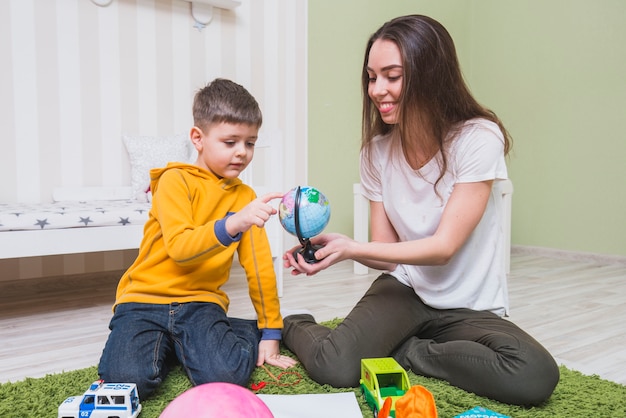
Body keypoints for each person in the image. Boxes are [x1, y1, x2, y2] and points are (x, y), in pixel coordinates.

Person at [282, 15, 559, 406]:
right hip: (406, 291)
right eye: (371, 77)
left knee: (533, 373)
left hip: (469, 308)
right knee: (333, 368)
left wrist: (352, 248)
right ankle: (293, 323)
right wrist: (343, 248)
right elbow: (385, 252)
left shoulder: (478, 137)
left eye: (392, 76)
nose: (378, 90)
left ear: (430, 73)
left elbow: (443, 247)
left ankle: (405, 352)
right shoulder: (376, 153)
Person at [98, 78, 296, 399]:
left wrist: (270, 331)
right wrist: (233, 224)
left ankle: (226, 334)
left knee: (227, 378)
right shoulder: (174, 181)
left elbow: (259, 268)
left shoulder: (246, 198)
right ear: (198, 138)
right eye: (230, 142)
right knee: (127, 380)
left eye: (250, 143)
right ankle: (188, 343)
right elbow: (180, 248)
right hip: (143, 301)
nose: (242, 153)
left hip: (201, 303)